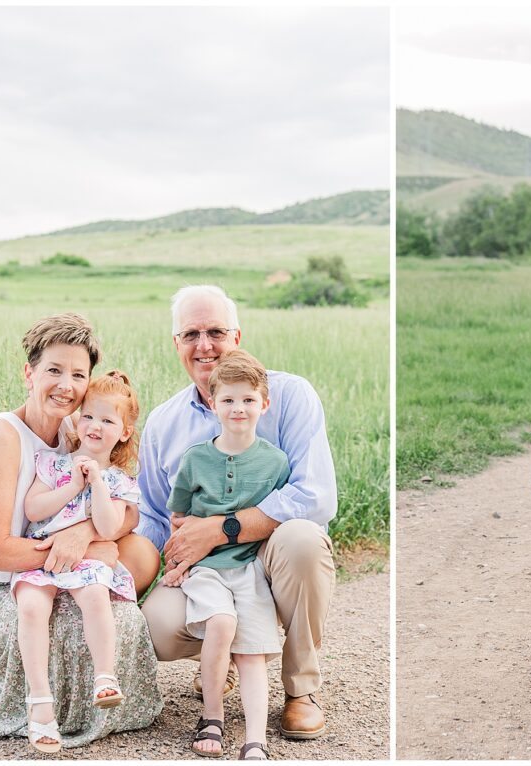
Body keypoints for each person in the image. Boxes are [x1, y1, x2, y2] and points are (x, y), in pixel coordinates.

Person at [0, 314, 162, 748]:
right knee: (73, 621)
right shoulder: (2, 437)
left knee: (130, 572)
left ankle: (102, 697)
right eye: (54, 370)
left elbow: (129, 514)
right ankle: (40, 706)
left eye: (78, 374)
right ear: (29, 373)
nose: (65, 384)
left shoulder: (73, 433)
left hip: (45, 575)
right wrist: (83, 554)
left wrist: (85, 532)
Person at [136, 285, 337, 740]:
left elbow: (317, 496)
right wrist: (114, 563)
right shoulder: (164, 423)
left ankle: (300, 689)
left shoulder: (288, 395)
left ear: (238, 336)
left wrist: (221, 529)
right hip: (208, 568)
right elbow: (150, 511)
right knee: (158, 627)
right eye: (190, 334)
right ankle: (221, 659)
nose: (204, 345)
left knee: (303, 541)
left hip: (274, 552)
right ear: (176, 344)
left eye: (216, 332)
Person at [162, 350, 289, 759]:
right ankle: (212, 717)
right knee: (221, 621)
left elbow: (274, 518)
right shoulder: (196, 459)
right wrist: (179, 562)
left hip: (249, 568)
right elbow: (178, 514)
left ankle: (256, 741)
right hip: (206, 570)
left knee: (251, 653)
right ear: (213, 404)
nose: (239, 408)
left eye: (248, 400)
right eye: (229, 400)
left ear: (263, 404)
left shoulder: (275, 462)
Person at [12, 371, 142, 752]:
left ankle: (105, 676)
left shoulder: (118, 480)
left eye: (107, 420)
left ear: (123, 433)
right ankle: (40, 703)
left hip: (86, 560)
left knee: (95, 596)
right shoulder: (52, 464)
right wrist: (71, 483)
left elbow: (108, 526)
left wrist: (97, 482)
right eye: (88, 416)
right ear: (76, 420)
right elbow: (33, 509)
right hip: (41, 553)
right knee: (32, 606)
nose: (95, 426)